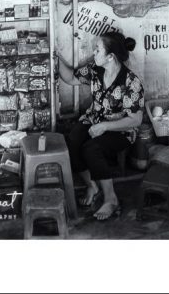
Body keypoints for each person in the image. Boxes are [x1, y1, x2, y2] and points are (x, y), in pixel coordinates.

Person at [58, 32, 144, 221]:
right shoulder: (96, 70)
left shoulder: (130, 82)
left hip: (121, 130)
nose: (93, 53)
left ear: (110, 57)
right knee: (72, 141)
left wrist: (105, 126)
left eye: (97, 50)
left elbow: (136, 120)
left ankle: (111, 198)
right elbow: (71, 78)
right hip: (94, 119)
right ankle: (92, 185)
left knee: (91, 148)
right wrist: (56, 56)